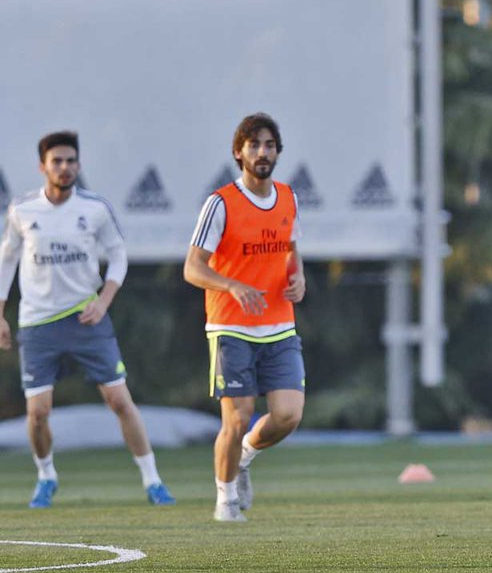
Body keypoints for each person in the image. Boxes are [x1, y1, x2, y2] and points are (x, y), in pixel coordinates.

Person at [0, 131, 175, 508]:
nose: (64, 167)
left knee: (119, 400)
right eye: (57, 161)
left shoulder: (95, 208)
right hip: (37, 323)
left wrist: (103, 301)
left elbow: (118, 257)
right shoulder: (22, 210)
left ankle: (152, 480)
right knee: (38, 412)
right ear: (42, 166)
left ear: (78, 165)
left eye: (70, 161)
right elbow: (7, 260)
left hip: (86, 319)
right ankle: (46, 475)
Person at [183, 113, 306, 522]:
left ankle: (246, 459)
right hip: (231, 328)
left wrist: (299, 276)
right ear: (239, 153)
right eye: (254, 145)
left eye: (269, 145)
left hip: (280, 326)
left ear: (278, 151)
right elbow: (192, 268)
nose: (263, 152)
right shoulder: (221, 203)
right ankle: (225, 500)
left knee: (289, 416)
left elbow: (290, 249)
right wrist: (231, 284)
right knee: (235, 419)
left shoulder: (288, 197)